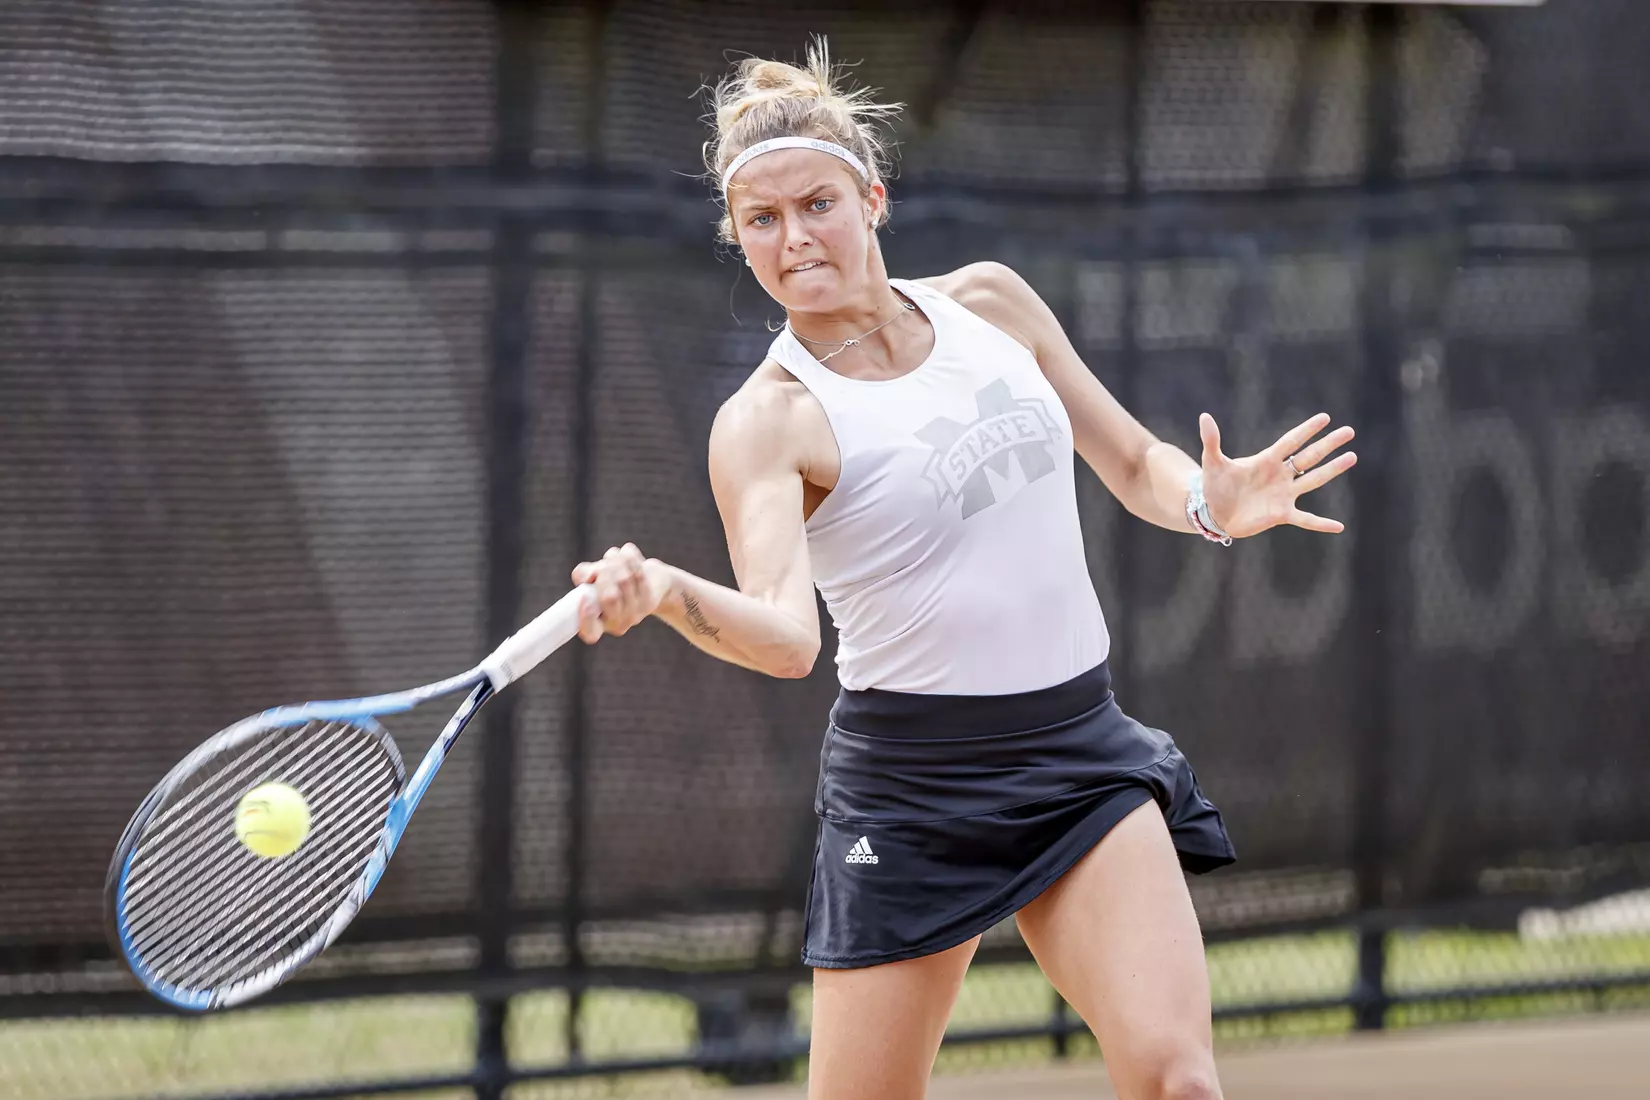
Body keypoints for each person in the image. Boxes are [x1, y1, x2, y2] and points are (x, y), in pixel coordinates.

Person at [569, 40, 1355, 1100]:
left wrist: (1213, 502)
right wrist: (665, 590)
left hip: (1079, 753)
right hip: (910, 791)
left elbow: (1131, 462)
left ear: (874, 197)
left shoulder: (994, 306)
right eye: (762, 220)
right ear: (737, 235)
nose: (794, 238)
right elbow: (788, 638)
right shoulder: (768, 419)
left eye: (817, 203)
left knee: (1179, 1077)